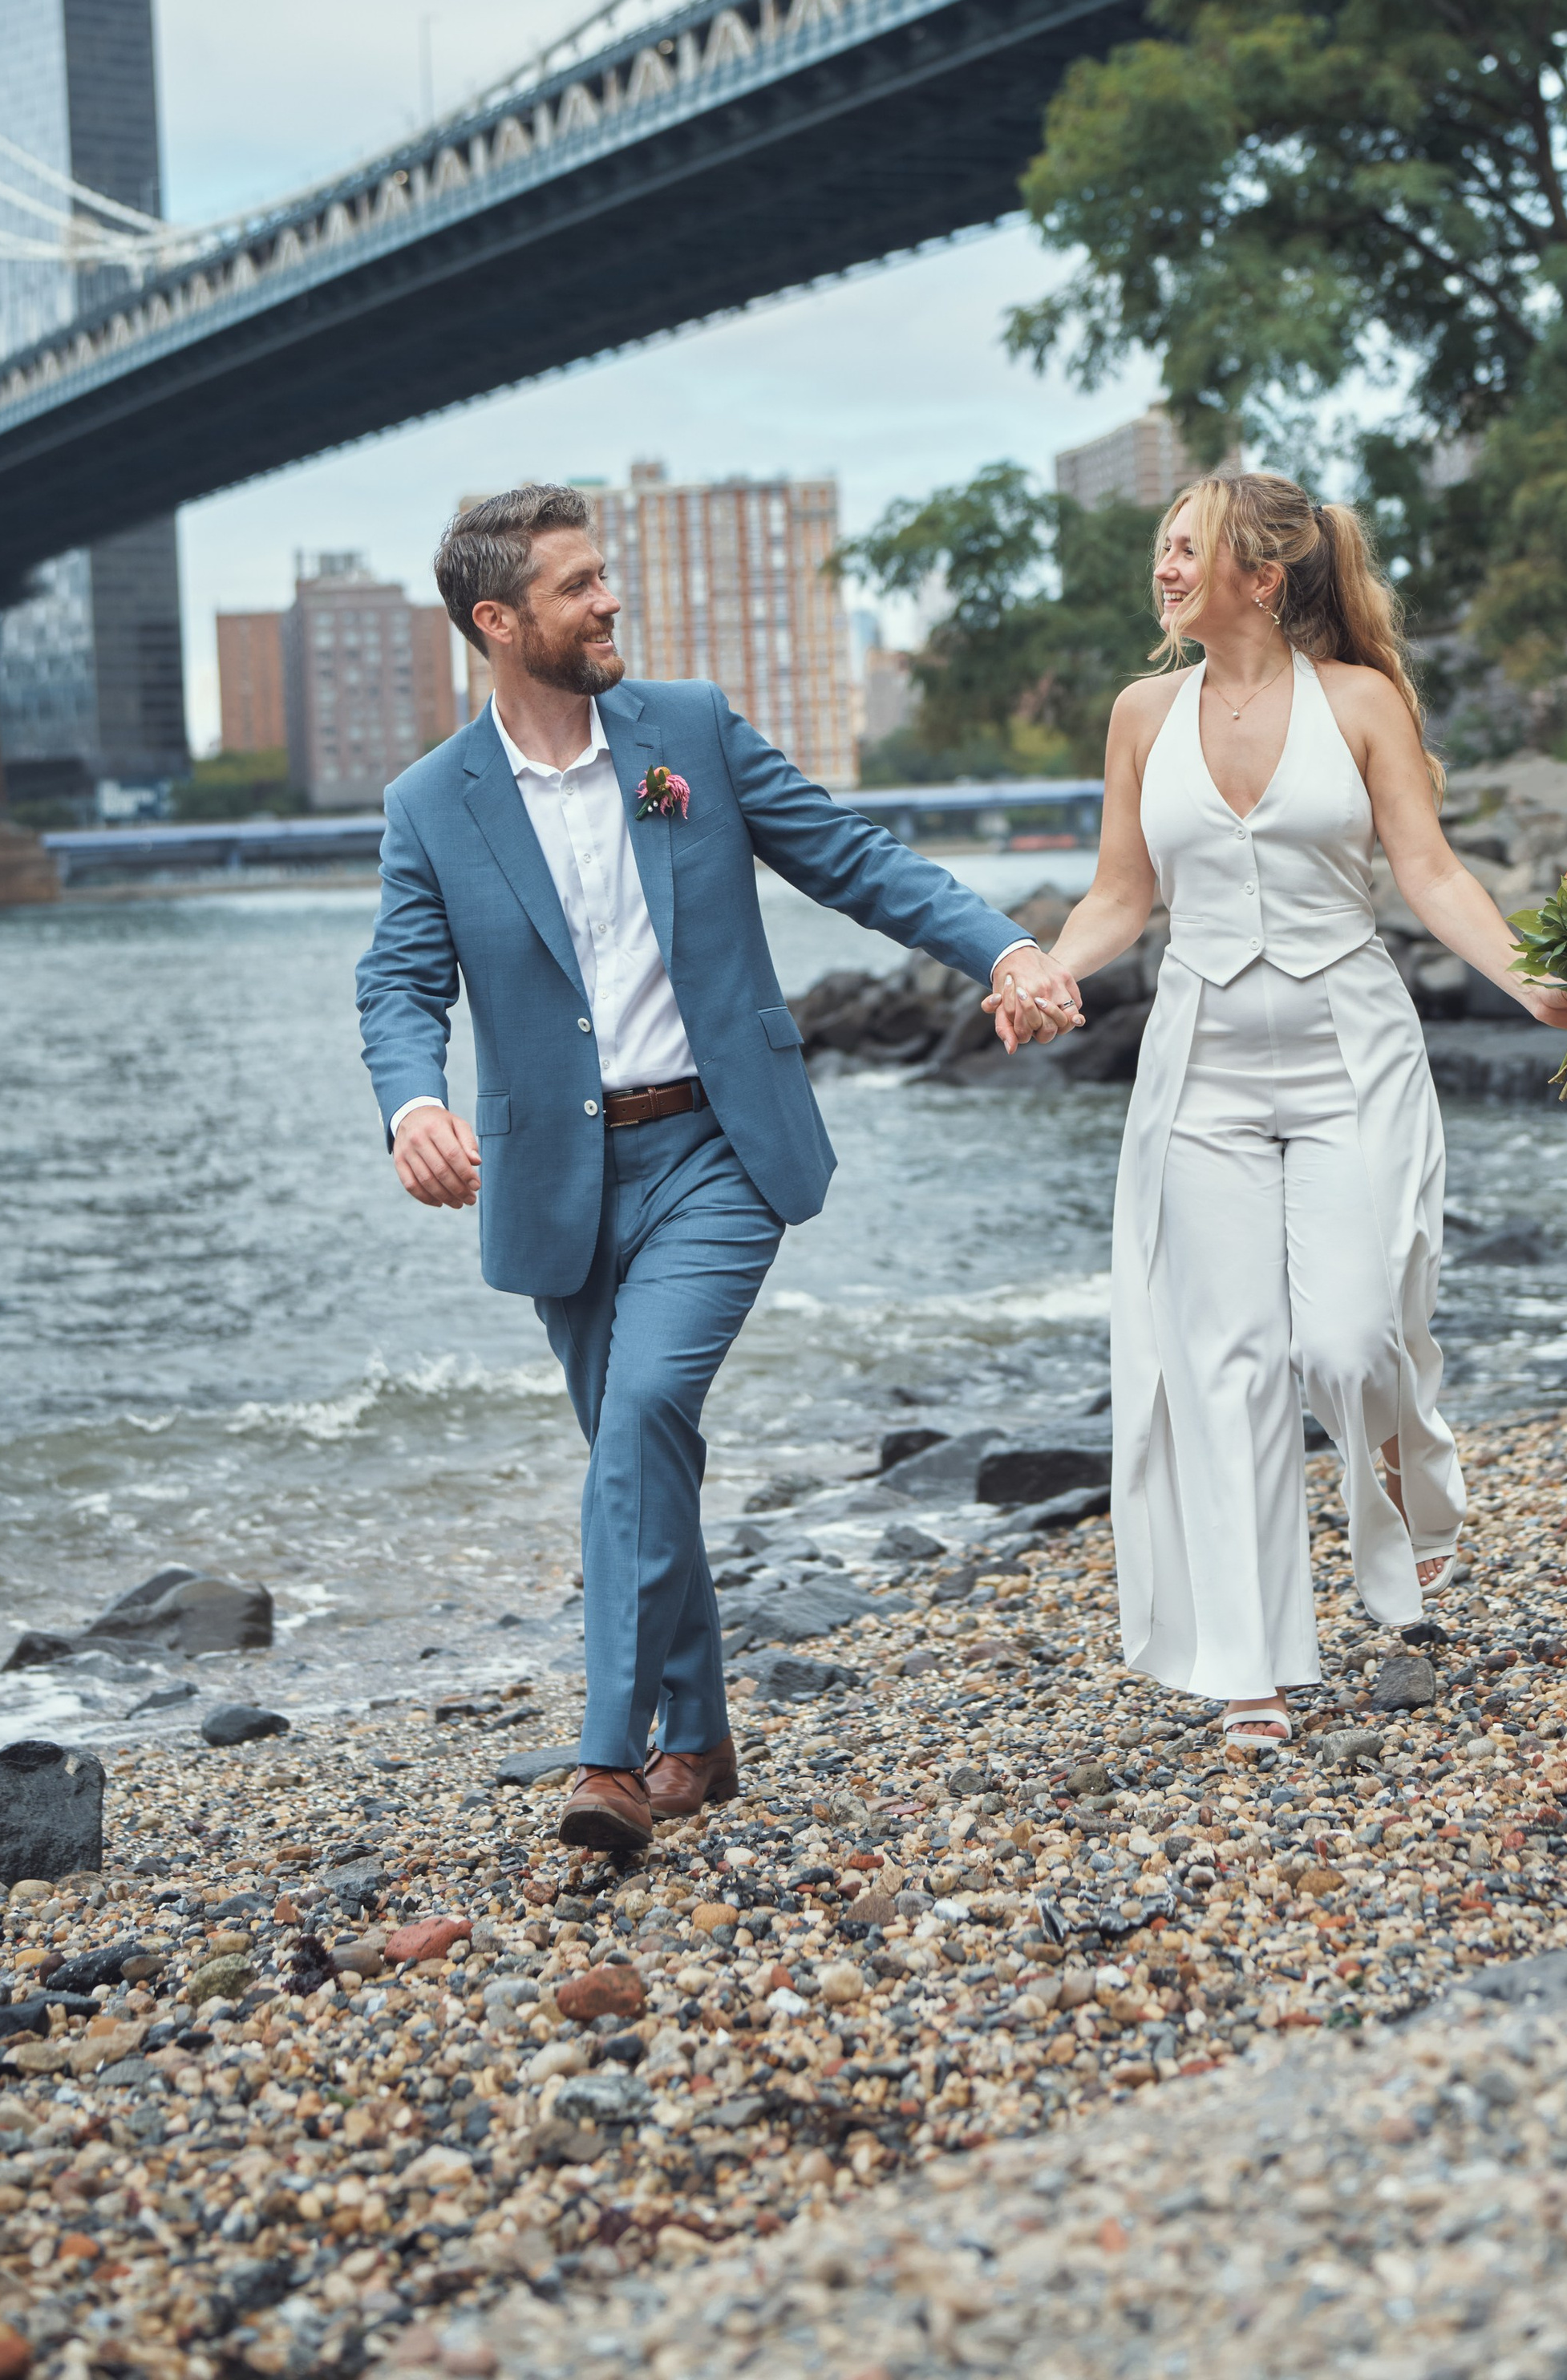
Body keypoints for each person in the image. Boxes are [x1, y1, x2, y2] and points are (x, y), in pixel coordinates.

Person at [355, 484, 1079, 1852]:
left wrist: (1004, 947)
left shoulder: (688, 730)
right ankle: (700, 1729)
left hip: (718, 1148)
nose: (610, 600)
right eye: (577, 587)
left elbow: (851, 859)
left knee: (640, 1420)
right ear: (499, 622)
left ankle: (613, 1760)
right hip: (557, 1182)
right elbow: (398, 983)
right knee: (641, 1453)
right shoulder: (428, 805)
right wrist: (409, 1106)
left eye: (605, 575)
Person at [1021, 473, 1567, 1757]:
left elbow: (1432, 873)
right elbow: (1122, 893)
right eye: (1162, 548)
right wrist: (1054, 969)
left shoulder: (1360, 702)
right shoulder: (1140, 714)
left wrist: (1537, 985)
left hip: (1350, 1056)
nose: (1166, 569)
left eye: (1189, 550)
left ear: (1263, 575)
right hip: (1202, 1073)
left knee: (1348, 1345)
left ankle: (1405, 1473)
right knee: (1226, 1361)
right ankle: (1253, 1668)